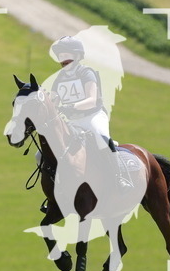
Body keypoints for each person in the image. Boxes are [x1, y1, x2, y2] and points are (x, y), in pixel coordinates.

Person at [45, 36, 132, 188]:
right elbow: (54, 100)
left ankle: (120, 179)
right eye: (60, 56)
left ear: (77, 56)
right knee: (45, 151)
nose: (62, 59)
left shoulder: (86, 73)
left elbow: (91, 100)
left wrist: (71, 107)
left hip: (93, 116)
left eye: (67, 55)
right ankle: (55, 190)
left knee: (101, 137)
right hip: (72, 121)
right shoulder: (59, 78)